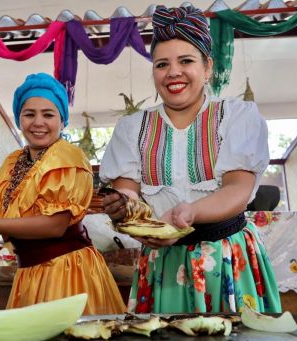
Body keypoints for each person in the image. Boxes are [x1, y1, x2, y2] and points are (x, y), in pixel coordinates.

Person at [100, 4, 281, 314]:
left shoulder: (236, 116)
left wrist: (190, 213)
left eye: (186, 61)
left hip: (225, 256)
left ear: (207, 67)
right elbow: (127, 191)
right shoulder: (132, 128)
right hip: (162, 262)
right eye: (161, 64)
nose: (173, 72)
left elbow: (238, 190)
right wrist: (125, 211)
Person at [0, 72, 126, 315]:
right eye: (29, 114)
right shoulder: (13, 163)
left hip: (66, 272)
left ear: (62, 122)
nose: (38, 122)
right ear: (20, 120)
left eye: (48, 114)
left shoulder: (68, 157)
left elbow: (55, 226)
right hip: (29, 272)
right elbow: (10, 222)